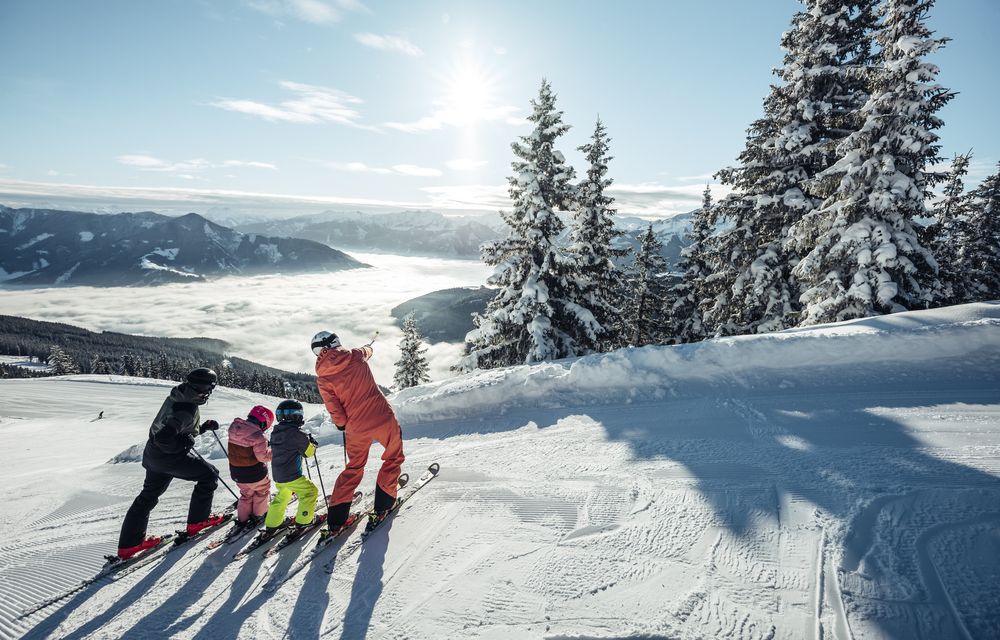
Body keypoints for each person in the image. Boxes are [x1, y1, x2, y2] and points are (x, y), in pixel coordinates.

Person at [116, 367, 226, 560]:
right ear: (206, 387)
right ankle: (197, 522)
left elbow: (173, 428)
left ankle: (130, 544)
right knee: (210, 475)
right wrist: (186, 442)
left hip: (153, 455)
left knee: (148, 496)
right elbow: (166, 438)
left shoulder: (179, 395)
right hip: (168, 457)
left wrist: (201, 428)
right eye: (210, 387)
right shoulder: (187, 407)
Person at [312, 330, 405, 531]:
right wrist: (369, 347)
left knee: (354, 467)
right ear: (334, 342)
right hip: (382, 417)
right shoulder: (355, 355)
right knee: (393, 457)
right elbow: (367, 351)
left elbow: (334, 409)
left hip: (355, 427)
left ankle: (336, 519)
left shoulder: (323, 379)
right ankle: (384, 505)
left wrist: (342, 424)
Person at [261, 399, 319, 539]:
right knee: (310, 492)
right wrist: (312, 444)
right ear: (296, 416)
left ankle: (273, 523)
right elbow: (308, 453)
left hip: (279, 476)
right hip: (293, 475)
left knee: (283, 495)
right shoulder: (296, 434)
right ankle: (304, 522)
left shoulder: (275, 432)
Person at [226, 405, 275, 529]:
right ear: (264, 423)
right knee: (261, 492)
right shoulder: (259, 436)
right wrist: (273, 451)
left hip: (237, 473)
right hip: (255, 474)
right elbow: (263, 457)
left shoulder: (234, 428)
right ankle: (259, 515)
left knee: (246, 495)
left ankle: (243, 519)